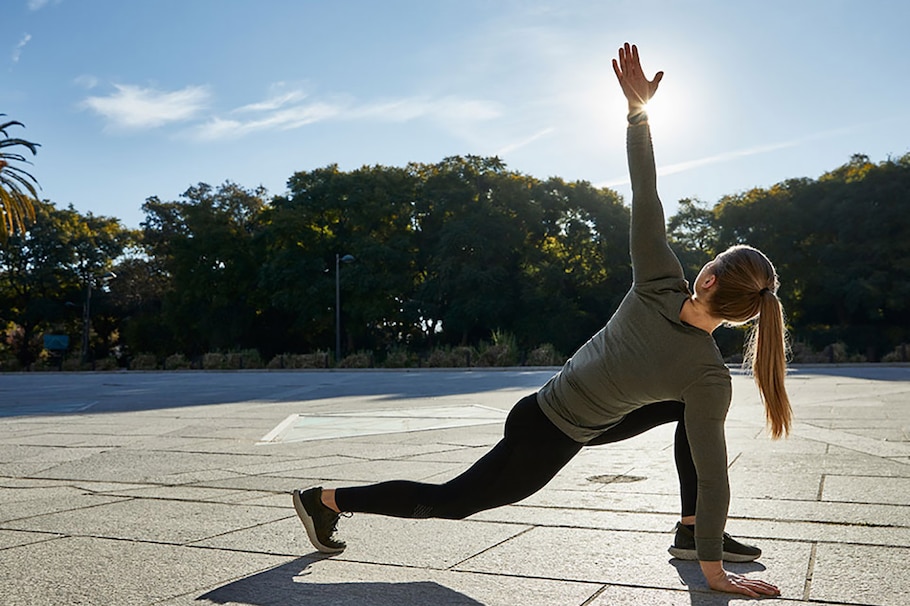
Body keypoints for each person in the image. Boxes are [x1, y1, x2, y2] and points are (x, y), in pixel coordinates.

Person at [292, 43, 789, 598]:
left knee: (689, 416)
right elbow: (715, 473)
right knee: (452, 503)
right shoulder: (707, 374)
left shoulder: (659, 279)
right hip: (545, 429)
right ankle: (326, 500)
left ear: (709, 279)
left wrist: (636, 110)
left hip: (584, 414)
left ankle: (691, 532)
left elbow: (645, 189)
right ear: (747, 318)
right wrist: (717, 576)